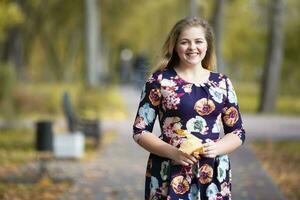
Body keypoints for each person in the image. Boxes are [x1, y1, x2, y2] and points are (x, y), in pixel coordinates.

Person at [132, 16, 245, 200]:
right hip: (168, 171)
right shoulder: (159, 81)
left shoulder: (222, 83)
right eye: (185, 42)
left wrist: (217, 148)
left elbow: (238, 132)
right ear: (175, 46)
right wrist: (174, 153)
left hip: (213, 174)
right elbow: (140, 131)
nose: (192, 47)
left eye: (198, 41)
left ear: (207, 45)